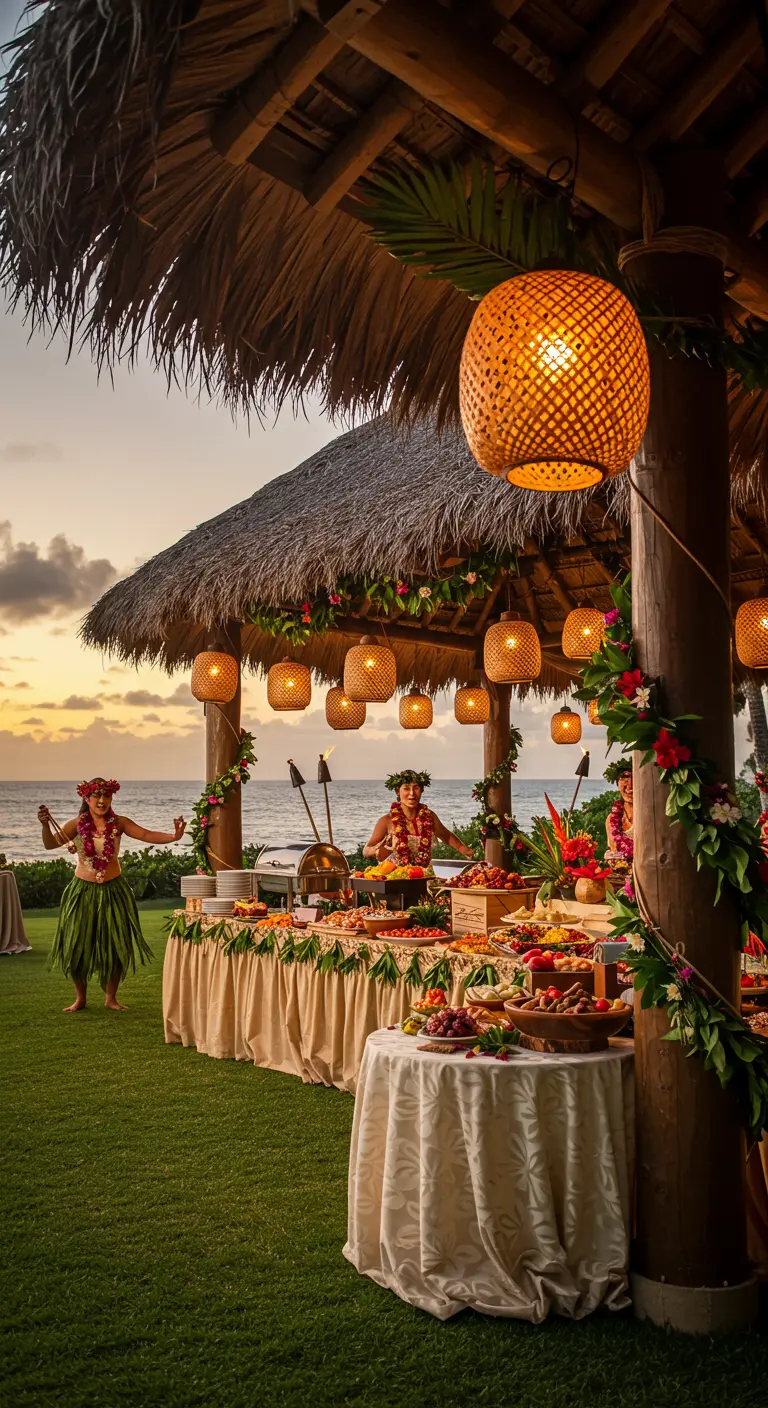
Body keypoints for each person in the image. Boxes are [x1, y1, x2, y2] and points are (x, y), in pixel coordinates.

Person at [38, 779, 185, 1012]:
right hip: (82, 891)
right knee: (78, 944)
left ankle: (111, 998)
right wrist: (45, 825)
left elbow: (145, 834)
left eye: (106, 796)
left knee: (115, 944)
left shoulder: (119, 823)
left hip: (114, 889)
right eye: (96, 796)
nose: (102, 801)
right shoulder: (76, 824)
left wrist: (174, 837)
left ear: (111, 798)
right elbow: (49, 845)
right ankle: (80, 999)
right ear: (86, 799)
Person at [363, 769, 473, 867]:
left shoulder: (429, 817)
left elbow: (446, 836)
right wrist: (375, 851)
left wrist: (466, 851)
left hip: (421, 875)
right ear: (397, 791)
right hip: (393, 877)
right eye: (406, 788)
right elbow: (366, 851)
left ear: (421, 790)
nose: (412, 793)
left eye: (416, 788)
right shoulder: (386, 821)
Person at [604, 759, 634, 862]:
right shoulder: (611, 820)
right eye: (624, 777)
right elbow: (615, 852)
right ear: (617, 783)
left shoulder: (651, 815)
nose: (630, 784)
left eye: (635, 777)